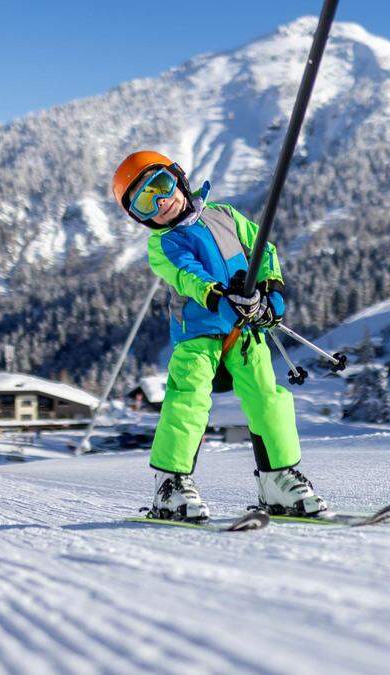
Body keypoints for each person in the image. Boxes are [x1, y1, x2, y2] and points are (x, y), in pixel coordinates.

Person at [111, 150, 328, 521]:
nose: (161, 201)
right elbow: (187, 275)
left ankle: (277, 479)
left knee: (267, 397)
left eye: (161, 185)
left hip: (245, 329)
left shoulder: (224, 215)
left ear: (178, 178)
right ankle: (171, 484)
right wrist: (218, 295)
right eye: (146, 201)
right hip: (197, 333)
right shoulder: (163, 244)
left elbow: (264, 249)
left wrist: (270, 291)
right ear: (140, 218)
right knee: (188, 401)